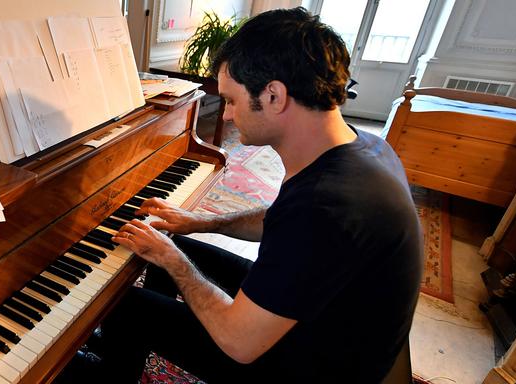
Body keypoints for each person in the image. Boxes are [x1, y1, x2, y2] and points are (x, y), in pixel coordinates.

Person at [90, 6, 422, 383]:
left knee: (124, 302)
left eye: (231, 100)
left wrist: (173, 261)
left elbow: (238, 342)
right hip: (327, 315)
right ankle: (131, 353)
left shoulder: (328, 205)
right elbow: (280, 219)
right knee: (175, 244)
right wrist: (203, 222)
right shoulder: (361, 148)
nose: (227, 116)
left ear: (274, 96)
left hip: (318, 366)